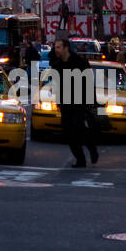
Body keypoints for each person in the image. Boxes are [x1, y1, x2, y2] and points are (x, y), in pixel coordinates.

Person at [49, 36, 98, 167]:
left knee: (78, 127)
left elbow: (88, 79)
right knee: (68, 132)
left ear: (66, 48)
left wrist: (90, 98)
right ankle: (80, 159)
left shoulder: (79, 61)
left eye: (59, 47)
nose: (56, 50)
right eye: (55, 48)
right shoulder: (57, 63)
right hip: (65, 101)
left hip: (78, 100)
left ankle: (91, 147)